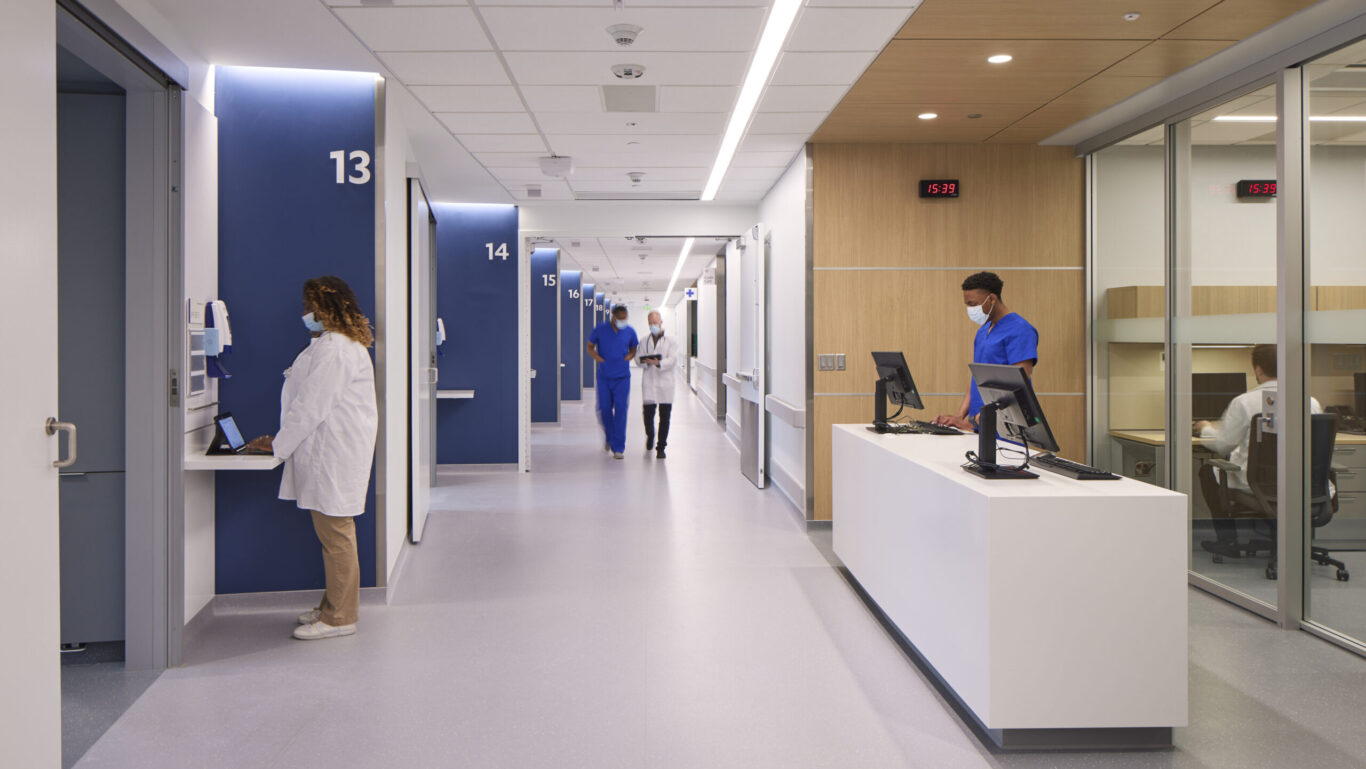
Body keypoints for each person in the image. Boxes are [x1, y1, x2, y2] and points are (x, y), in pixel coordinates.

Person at [247, 276, 378, 641]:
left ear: (325, 307)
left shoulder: (336, 347)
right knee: (333, 534)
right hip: (329, 451)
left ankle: (340, 618)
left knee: (336, 535)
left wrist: (277, 445)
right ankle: (330, 607)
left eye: (310, 305)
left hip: (332, 454)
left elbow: (310, 406)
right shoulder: (329, 344)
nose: (305, 312)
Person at [1195, 344, 1324, 557]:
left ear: (1258, 370)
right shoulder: (1309, 401)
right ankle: (1291, 541)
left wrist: (1205, 428)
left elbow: (1223, 445)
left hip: (1256, 484)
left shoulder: (1245, 402)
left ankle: (1228, 542)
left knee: (1208, 472)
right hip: (1301, 482)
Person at [933, 271, 1039, 430]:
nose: (970, 309)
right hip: (977, 425)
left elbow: (1017, 387)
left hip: (1004, 427)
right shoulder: (983, 331)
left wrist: (974, 422)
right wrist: (959, 416)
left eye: (973, 304)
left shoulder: (1020, 330)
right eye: (967, 304)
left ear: (992, 299)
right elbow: (976, 378)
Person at [587, 304, 638, 459]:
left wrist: (629, 357)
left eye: (625, 318)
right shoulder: (601, 329)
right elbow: (590, 346)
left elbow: (634, 348)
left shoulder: (629, 331)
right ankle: (609, 436)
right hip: (604, 377)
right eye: (620, 318)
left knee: (621, 410)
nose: (623, 321)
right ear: (613, 317)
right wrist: (598, 358)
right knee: (604, 409)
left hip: (622, 378)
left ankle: (618, 447)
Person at [637, 311, 678, 459]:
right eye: (650, 323)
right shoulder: (643, 341)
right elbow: (637, 359)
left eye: (655, 322)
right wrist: (644, 361)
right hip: (649, 381)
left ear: (661, 321)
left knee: (664, 416)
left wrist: (659, 363)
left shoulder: (671, 340)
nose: (653, 325)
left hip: (666, 383)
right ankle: (650, 435)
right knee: (648, 415)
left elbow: (673, 360)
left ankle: (661, 447)